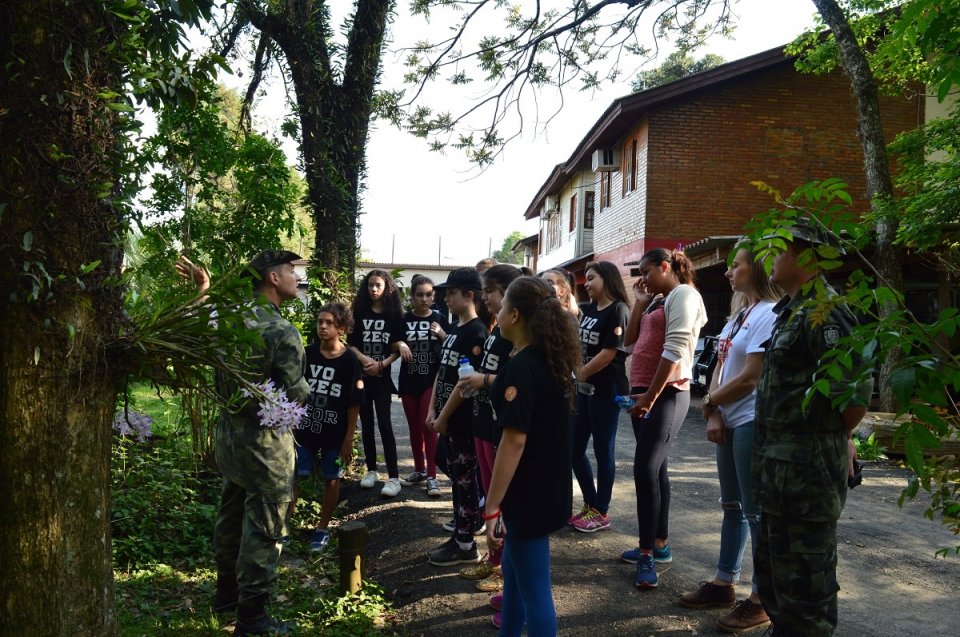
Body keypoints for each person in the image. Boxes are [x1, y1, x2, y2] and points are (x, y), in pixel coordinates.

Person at [752, 220, 870, 636]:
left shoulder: (825, 311)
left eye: (778, 250)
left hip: (808, 473)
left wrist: (829, 440)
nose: (769, 258)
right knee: (776, 579)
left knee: (807, 591)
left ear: (806, 256)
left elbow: (853, 397)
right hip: (780, 472)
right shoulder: (792, 310)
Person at [678, 246, 781, 632]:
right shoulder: (740, 315)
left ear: (755, 270)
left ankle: (760, 598)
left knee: (754, 511)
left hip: (752, 419)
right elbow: (721, 364)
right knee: (732, 506)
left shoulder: (770, 315)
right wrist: (714, 411)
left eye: (735, 265)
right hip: (728, 417)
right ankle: (724, 582)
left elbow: (752, 376)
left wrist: (709, 401)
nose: (728, 272)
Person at [210, 250, 310, 636]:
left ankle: (226, 598)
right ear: (271, 277)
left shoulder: (231, 320)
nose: (295, 276)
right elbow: (295, 393)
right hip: (265, 445)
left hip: (230, 438)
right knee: (266, 526)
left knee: (232, 513)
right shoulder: (280, 330)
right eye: (290, 270)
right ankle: (252, 619)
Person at [483, 276, 580, 634]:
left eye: (503, 305)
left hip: (529, 495)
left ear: (515, 315)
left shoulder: (525, 367)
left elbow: (513, 442)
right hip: (545, 488)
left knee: (536, 592)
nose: (498, 312)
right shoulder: (544, 359)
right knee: (515, 576)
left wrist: (492, 506)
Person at [624, 248, 707, 589]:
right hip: (645, 391)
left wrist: (651, 397)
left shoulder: (684, 295)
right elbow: (630, 343)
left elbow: (674, 350)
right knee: (657, 469)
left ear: (665, 266)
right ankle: (659, 545)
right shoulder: (659, 300)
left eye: (647, 271)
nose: (642, 278)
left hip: (668, 393)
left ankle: (646, 554)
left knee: (644, 469)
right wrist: (640, 302)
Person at [455, 264, 523, 591]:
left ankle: (504, 568)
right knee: (487, 497)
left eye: (490, 292)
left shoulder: (516, 335)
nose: (486, 298)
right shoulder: (496, 329)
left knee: (502, 501)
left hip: (499, 424)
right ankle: (493, 559)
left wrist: (482, 380)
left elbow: (516, 381)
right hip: (482, 421)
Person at [426, 267, 490, 566]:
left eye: (451, 293)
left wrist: (444, 416)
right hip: (446, 418)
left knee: (465, 480)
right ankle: (459, 533)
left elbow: (465, 383)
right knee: (457, 478)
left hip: (463, 420)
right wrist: (432, 409)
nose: (446, 299)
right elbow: (444, 371)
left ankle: (466, 543)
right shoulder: (453, 329)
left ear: (469, 295)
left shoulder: (477, 333)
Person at [293, 303, 364, 553]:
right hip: (304, 431)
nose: (322, 326)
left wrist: (348, 439)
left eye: (329, 323)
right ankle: (284, 529)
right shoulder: (307, 353)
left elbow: (353, 404)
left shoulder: (350, 360)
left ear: (341, 328)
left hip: (335, 435)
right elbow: (296, 391)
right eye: (320, 322)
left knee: (331, 480)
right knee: (293, 478)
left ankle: (322, 528)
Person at [570, 260, 631, 533]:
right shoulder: (589, 309)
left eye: (592, 278)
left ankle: (601, 511)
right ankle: (591, 504)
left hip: (606, 390)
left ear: (607, 279)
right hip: (583, 389)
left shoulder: (619, 310)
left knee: (602, 451)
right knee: (574, 449)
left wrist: (580, 373)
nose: (588, 283)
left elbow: (609, 354)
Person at [349, 269, 404, 497]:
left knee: (385, 425)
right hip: (362, 378)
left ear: (386, 287)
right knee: (367, 426)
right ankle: (371, 470)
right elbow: (350, 344)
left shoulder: (394, 315)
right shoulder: (359, 312)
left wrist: (382, 364)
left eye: (378, 285)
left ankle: (393, 477)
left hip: (382, 379)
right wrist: (365, 360)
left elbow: (398, 347)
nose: (374, 289)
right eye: (370, 285)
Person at [395, 274, 449, 497]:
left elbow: (452, 347)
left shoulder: (439, 318)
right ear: (412, 296)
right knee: (414, 428)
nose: (424, 299)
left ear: (434, 296)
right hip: (409, 380)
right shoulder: (403, 319)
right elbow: (392, 341)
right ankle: (419, 470)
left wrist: (442, 334)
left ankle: (432, 477)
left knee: (428, 426)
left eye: (428, 295)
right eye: (419, 295)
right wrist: (399, 343)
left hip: (430, 381)